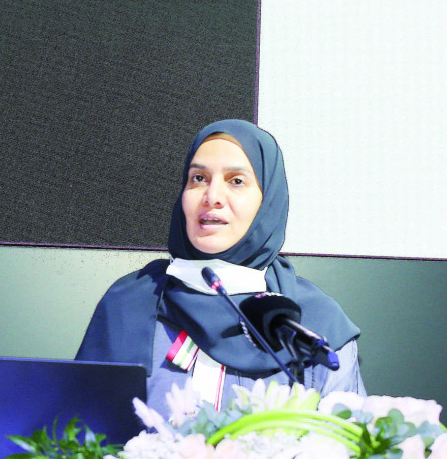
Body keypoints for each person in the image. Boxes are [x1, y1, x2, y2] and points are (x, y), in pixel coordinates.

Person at [76, 119, 364, 418]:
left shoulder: (315, 324)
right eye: (198, 178)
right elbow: (78, 440)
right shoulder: (129, 303)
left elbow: (348, 453)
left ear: (268, 201)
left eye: (236, 181)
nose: (211, 197)